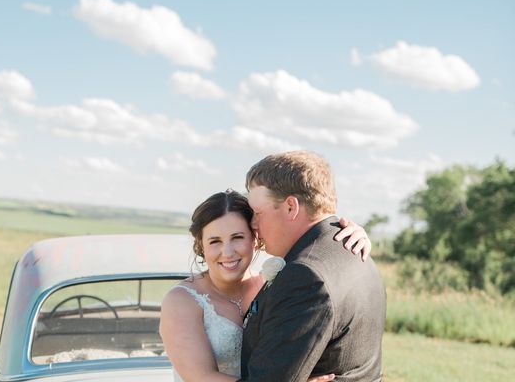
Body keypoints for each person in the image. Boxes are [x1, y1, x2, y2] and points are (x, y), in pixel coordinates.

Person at [160, 188, 371, 382]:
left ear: (254, 237)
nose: (228, 251)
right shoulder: (181, 301)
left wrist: (342, 235)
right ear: (201, 246)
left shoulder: (273, 282)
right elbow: (202, 377)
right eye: (215, 241)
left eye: (237, 237)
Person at [240, 151, 386, 381]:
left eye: (258, 213)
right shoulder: (355, 251)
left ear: (291, 207)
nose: (253, 224)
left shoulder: (305, 275)